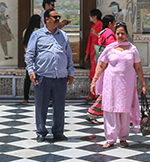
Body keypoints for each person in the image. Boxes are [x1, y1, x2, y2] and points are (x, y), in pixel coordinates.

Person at [90, 22, 146, 148]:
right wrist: (94, 80)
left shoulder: (132, 49)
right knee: (110, 109)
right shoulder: (110, 49)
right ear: (115, 34)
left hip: (127, 85)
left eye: (123, 33)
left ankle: (123, 137)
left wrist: (143, 84)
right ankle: (110, 139)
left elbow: (138, 67)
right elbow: (101, 66)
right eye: (118, 33)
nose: (120, 35)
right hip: (111, 84)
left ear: (126, 35)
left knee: (124, 110)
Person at [25, 8, 74, 142]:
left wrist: (71, 72)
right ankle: (41, 131)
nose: (58, 19)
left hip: (60, 77)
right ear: (47, 19)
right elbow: (29, 55)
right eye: (54, 17)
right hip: (42, 76)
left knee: (59, 106)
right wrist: (31, 71)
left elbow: (68, 55)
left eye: (58, 17)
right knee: (41, 106)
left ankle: (58, 132)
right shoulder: (37, 35)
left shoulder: (63, 35)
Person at [87, 15, 117, 124]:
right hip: (108, 65)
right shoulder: (109, 33)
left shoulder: (103, 32)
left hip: (103, 62)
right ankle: (92, 112)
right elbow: (112, 47)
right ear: (110, 24)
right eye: (114, 23)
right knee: (108, 90)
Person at [22, 14, 42, 104]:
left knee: (28, 77)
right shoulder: (39, 31)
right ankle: (41, 98)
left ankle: (26, 98)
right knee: (40, 78)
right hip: (38, 56)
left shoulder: (26, 31)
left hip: (28, 56)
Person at [84, 9, 103, 99]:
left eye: (91, 16)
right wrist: (87, 54)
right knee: (94, 72)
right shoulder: (94, 26)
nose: (89, 18)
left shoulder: (101, 25)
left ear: (95, 16)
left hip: (99, 52)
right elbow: (89, 41)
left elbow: (103, 38)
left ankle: (96, 94)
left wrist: (97, 33)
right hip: (93, 52)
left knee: (98, 72)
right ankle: (93, 93)